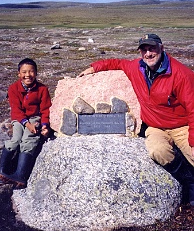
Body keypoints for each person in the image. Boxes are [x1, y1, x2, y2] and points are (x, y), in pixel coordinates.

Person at [79, 33, 194, 206]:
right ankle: (189, 181)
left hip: (182, 125)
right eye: (144, 50)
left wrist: (191, 138)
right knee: (157, 151)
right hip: (155, 126)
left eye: (152, 49)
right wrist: (94, 67)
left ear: (161, 48)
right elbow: (116, 63)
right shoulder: (136, 67)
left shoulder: (181, 74)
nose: (148, 54)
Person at [0, 58, 52, 189]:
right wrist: (27, 124)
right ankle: (1, 172)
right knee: (15, 139)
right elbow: (16, 110)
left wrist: (44, 125)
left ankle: (20, 176)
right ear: (19, 74)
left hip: (34, 118)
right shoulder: (13, 88)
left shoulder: (42, 89)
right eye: (24, 72)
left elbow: (45, 110)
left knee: (28, 140)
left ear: (36, 73)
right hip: (19, 118)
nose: (28, 75)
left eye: (31, 71)